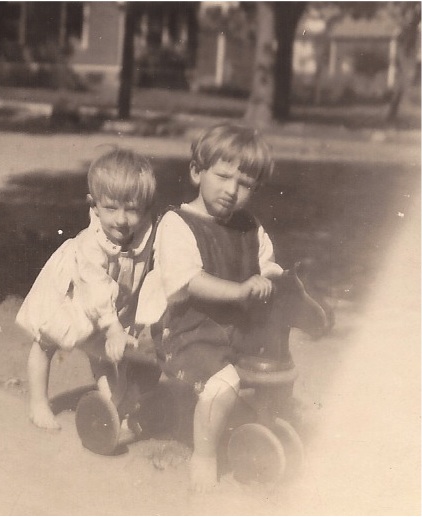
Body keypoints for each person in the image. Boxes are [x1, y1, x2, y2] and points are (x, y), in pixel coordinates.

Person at [136, 124, 283, 491]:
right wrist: (240, 290)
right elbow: (188, 281)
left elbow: (266, 263)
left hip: (235, 329)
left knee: (273, 366)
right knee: (224, 382)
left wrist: (268, 278)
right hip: (186, 331)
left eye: (245, 184)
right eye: (223, 176)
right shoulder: (178, 223)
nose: (232, 190)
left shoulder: (249, 227)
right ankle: (204, 455)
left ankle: (261, 428)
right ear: (196, 172)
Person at [16, 147, 157, 430]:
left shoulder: (145, 233)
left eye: (132, 209)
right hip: (71, 293)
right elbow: (95, 286)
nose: (121, 219)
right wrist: (113, 327)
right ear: (94, 206)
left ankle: (113, 407)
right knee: (46, 342)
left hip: (108, 305)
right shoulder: (90, 245)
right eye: (111, 208)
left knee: (101, 351)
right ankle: (38, 404)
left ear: (145, 209)